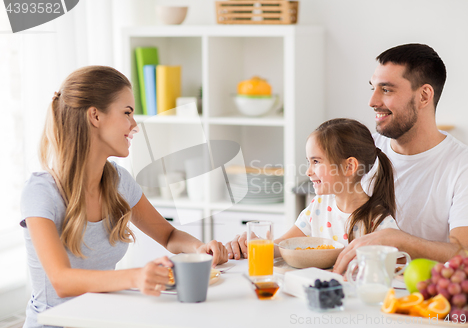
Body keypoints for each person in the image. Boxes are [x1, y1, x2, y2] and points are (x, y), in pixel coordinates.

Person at [20, 66, 228, 328]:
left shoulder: (118, 182)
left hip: (104, 320)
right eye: (127, 113)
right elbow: (62, 281)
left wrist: (199, 250)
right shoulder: (41, 192)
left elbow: (169, 236)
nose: (134, 126)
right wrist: (136, 277)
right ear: (95, 116)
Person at [333, 44, 468, 274]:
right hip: (356, 288)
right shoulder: (364, 149)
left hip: (421, 299)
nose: (372, 101)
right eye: (373, 88)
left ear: (424, 95)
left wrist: (398, 240)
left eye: (386, 90)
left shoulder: (466, 167)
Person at [225, 118, 399, 260]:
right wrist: (257, 244)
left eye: (316, 161)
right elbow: (283, 245)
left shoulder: (380, 223)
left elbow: (394, 270)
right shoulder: (319, 207)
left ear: (349, 166)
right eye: (308, 162)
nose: (308, 171)